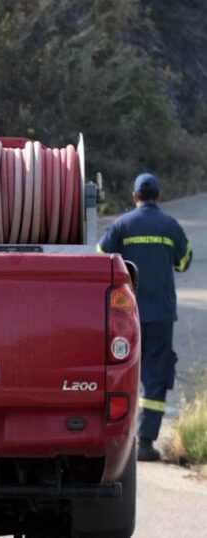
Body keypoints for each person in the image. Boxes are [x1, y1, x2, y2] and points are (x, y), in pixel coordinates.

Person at [98, 173, 192, 461]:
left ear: (135, 197)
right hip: (160, 314)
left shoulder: (122, 225)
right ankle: (146, 443)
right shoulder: (170, 226)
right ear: (159, 197)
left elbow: (100, 256)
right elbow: (184, 261)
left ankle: (115, 439)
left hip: (125, 314)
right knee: (155, 375)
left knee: (119, 371)